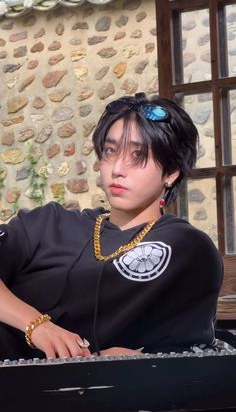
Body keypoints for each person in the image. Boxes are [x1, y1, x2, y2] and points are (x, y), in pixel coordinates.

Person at [0, 92, 223, 361]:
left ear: (172, 172)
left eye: (138, 155)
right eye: (110, 150)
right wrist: (38, 326)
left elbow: (184, 352)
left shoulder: (185, 247)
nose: (118, 168)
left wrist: (128, 359)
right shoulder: (48, 223)